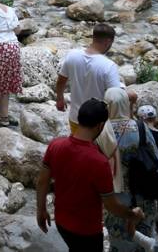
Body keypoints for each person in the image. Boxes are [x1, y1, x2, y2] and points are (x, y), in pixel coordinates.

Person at [37, 99, 145, 252]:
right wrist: (131, 214)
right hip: (87, 231)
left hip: (61, 222)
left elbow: (42, 181)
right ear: (101, 125)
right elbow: (111, 205)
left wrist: (40, 210)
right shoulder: (99, 162)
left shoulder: (55, 145)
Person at [103, 86, 158, 252]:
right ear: (125, 104)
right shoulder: (140, 127)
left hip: (117, 198)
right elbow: (156, 159)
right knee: (144, 240)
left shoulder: (102, 131)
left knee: (118, 240)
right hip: (144, 193)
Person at [56, 24, 122, 134]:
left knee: (78, 147)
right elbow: (115, 99)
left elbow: (61, 80)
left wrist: (60, 99)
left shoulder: (72, 55)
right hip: (97, 124)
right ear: (108, 42)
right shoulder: (109, 66)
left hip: (75, 118)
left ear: (94, 37)